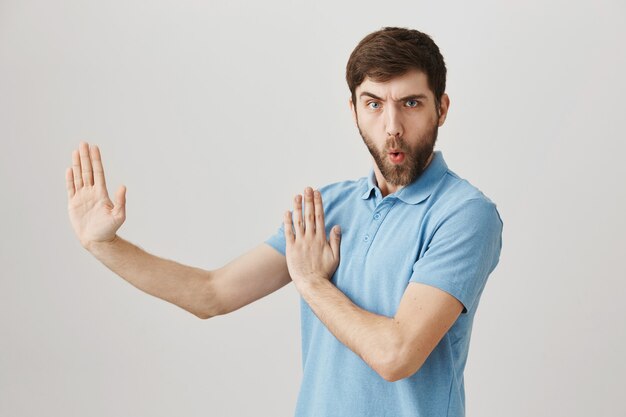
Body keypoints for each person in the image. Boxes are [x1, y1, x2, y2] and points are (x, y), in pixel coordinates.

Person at [66, 27, 503, 417]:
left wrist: (312, 283)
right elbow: (212, 294)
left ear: (441, 109)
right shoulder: (329, 206)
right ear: (353, 110)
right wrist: (104, 246)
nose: (392, 126)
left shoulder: (464, 214)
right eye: (374, 103)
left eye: (411, 103)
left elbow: (396, 355)